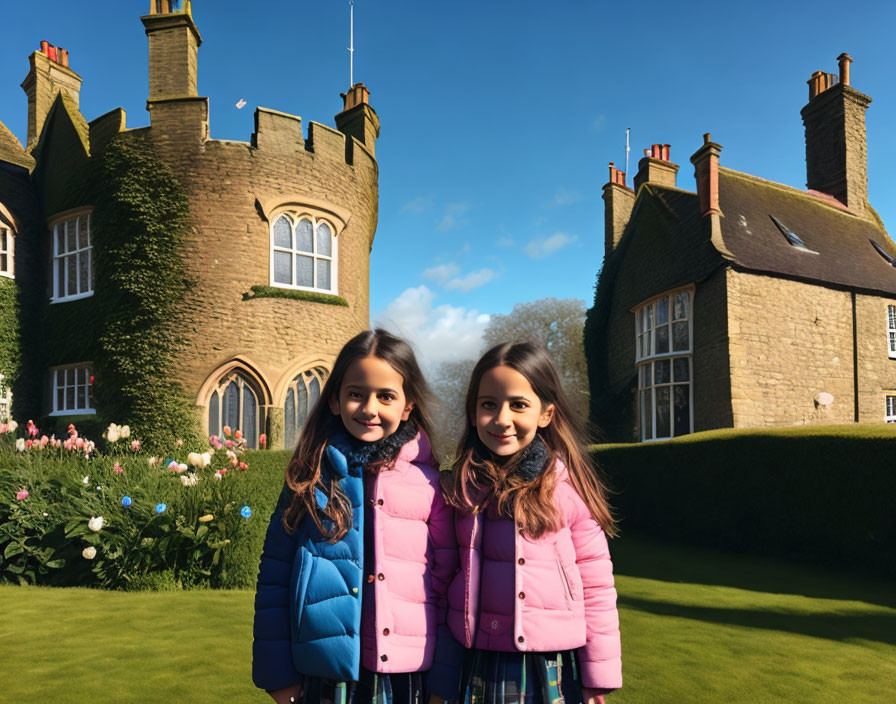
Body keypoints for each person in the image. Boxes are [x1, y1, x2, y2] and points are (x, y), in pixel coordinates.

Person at [253, 329, 458, 704]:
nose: (369, 408)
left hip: (407, 676)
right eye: (356, 394)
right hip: (323, 675)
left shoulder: (430, 485)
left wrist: (444, 683)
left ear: (407, 406)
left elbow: (447, 586)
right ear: (334, 400)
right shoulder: (308, 477)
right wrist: (277, 675)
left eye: (386, 396)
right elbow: (275, 579)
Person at [440, 341, 621, 704]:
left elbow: (597, 586)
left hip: (548, 664)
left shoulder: (568, 488)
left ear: (546, 413)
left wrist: (597, 677)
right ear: (473, 413)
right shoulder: (457, 488)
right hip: (479, 660)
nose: (502, 418)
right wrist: (440, 680)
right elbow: (442, 586)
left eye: (518, 404)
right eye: (489, 404)